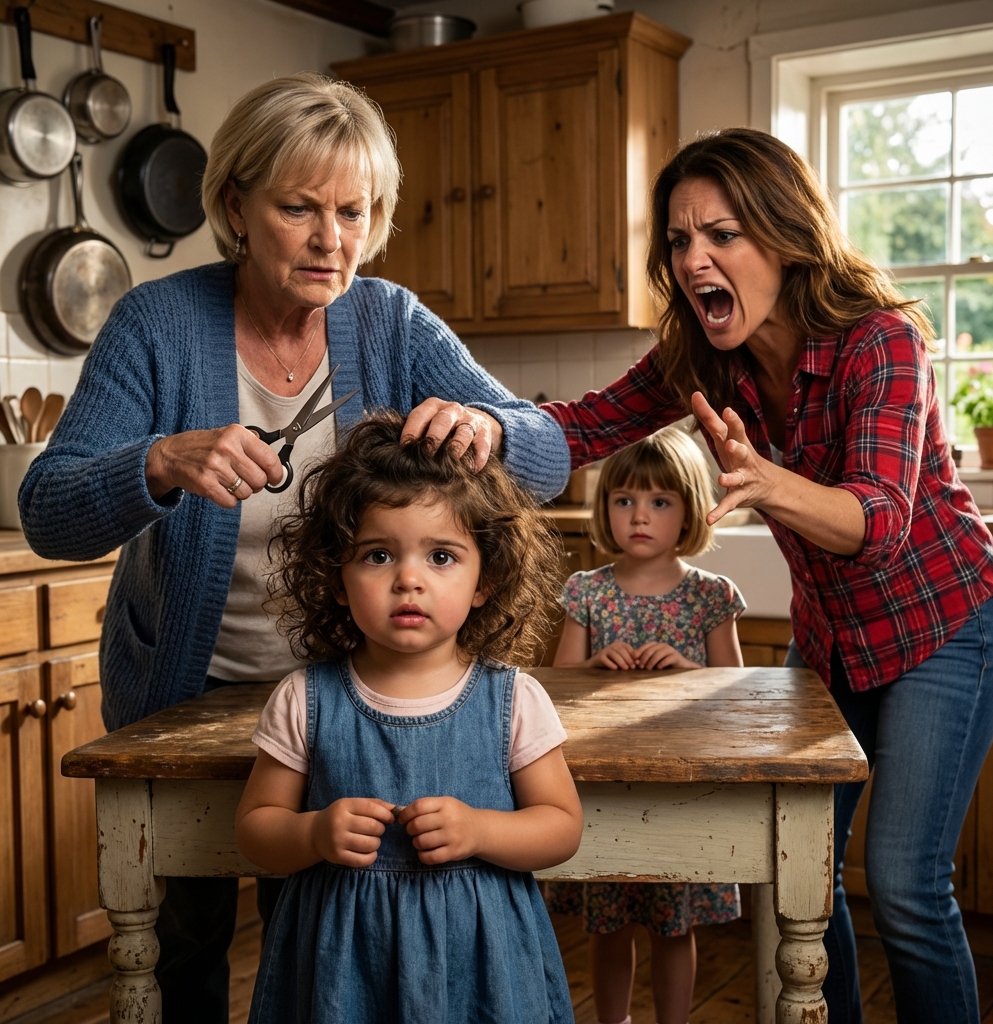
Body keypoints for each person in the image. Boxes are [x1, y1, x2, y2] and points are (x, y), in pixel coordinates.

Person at [18, 74, 569, 1024]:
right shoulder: (156, 324)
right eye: (300, 208)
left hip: (346, 699)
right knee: (181, 937)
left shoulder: (389, 321)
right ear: (235, 205)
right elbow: (48, 509)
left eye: (353, 211)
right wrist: (155, 463)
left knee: (322, 924)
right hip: (185, 704)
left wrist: (487, 426)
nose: (331, 239)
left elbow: (551, 454)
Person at [539, 128, 993, 1024]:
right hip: (833, 638)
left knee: (908, 888)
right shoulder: (706, 356)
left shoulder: (882, 341)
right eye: (679, 241)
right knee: (801, 876)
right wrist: (476, 425)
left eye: (721, 234)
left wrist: (768, 480)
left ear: (785, 236)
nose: (693, 259)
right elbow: (587, 423)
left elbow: (876, 521)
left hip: (943, 627)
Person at [235, 411, 582, 1023]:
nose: (409, 580)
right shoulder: (303, 699)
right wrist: (313, 834)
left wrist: (480, 831)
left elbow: (561, 827)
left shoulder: (515, 699)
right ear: (336, 578)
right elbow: (257, 829)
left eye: (443, 556)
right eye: (376, 556)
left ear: (486, 579)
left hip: (482, 971)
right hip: (344, 973)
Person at [545, 426, 744, 1024]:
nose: (639, 516)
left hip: (679, 793)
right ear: (605, 509)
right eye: (624, 500)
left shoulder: (710, 596)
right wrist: (592, 665)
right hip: (605, 793)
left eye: (659, 502)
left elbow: (736, 692)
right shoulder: (586, 591)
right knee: (608, 926)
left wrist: (687, 667)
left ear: (687, 510)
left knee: (671, 924)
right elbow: (557, 688)